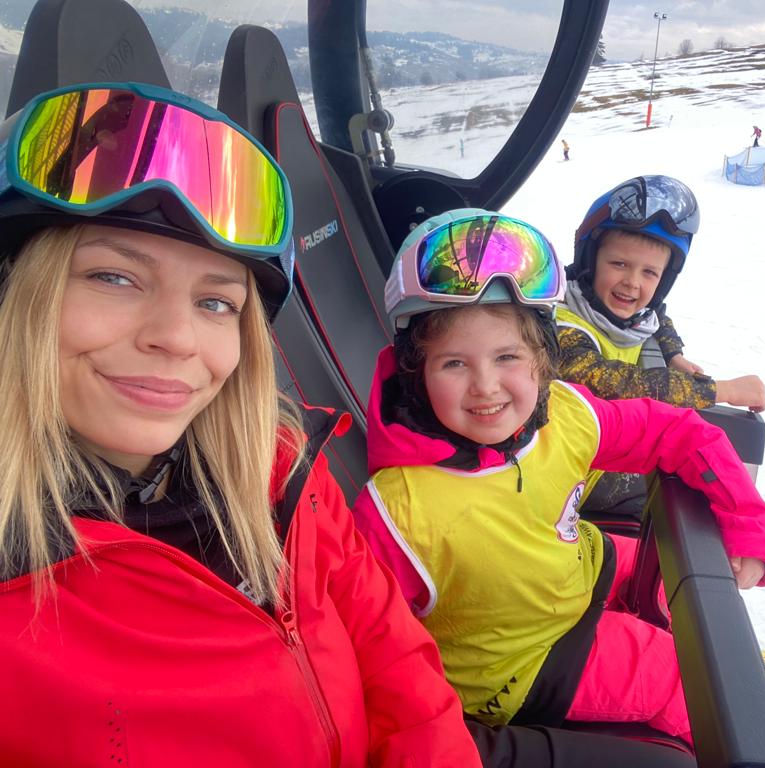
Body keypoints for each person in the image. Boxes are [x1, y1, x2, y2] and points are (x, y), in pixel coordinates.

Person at [0, 82, 480, 767]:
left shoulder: (281, 469)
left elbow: (398, 664)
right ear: (15, 293)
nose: (176, 338)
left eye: (216, 303)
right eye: (114, 278)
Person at [352, 209, 765, 748]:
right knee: (693, 684)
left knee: (681, 592)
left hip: (578, 569)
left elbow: (677, 432)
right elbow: (371, 650)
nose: (486, 386)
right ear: (416, 374)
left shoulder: (563, 413)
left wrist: (747, 523)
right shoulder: (397, 512)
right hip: (526, 660)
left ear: (542, 359)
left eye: (507, 356)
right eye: (454, 364)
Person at [558, 175, 765, 518]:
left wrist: (674, 354)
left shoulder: (627, 314)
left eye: (650, 273)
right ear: (589, 259)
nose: (632, 282)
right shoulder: (562, 322)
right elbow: (614, 384)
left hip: (596, 462)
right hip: (565, 483)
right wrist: (720, 390)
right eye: (619, 264)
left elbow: (656, 316)